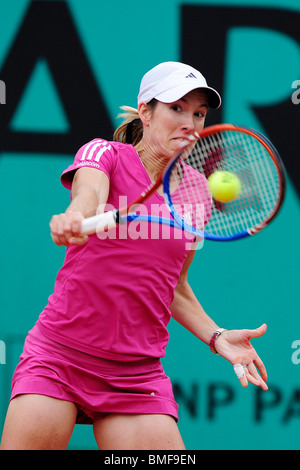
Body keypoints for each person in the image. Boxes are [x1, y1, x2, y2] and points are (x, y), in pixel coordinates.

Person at [0, 62, 268, 451]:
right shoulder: (104, 153)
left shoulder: (196, 193)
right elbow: (89, 193)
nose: (189, 122)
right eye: (176, 108)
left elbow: (173, 286)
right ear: (145, 111)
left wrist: (217, 336)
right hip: (60, 357)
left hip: (136, 375)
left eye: (198, 113)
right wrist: (78, 214)